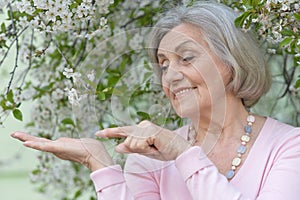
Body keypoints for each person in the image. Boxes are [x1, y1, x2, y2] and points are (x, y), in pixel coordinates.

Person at [11, 1, 300, 199]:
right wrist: (99, 164)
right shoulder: (148, 159)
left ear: (231, 61)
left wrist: (184, 154)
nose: (170, 76)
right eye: (163, 64)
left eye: (186, 58)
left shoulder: (289, 146)